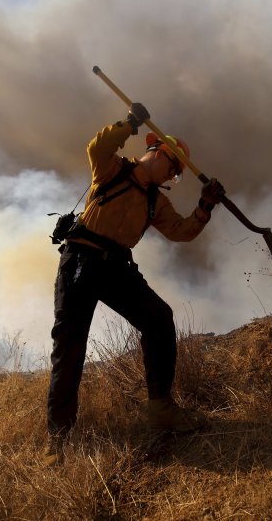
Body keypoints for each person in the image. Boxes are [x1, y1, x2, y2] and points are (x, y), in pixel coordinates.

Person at [47, 102, 225, 452]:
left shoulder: (155, 202)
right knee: (69, 349)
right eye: (172, 167)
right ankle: (59, 438)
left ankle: (160, 409)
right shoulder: (111, 169)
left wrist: (205, 207)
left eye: (176, 173)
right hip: (80, 262)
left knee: (159, 318)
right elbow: (96, 146)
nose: (171, 176)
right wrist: (129, 124)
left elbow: (181, 231)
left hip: (116, 269)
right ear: (158, 153)